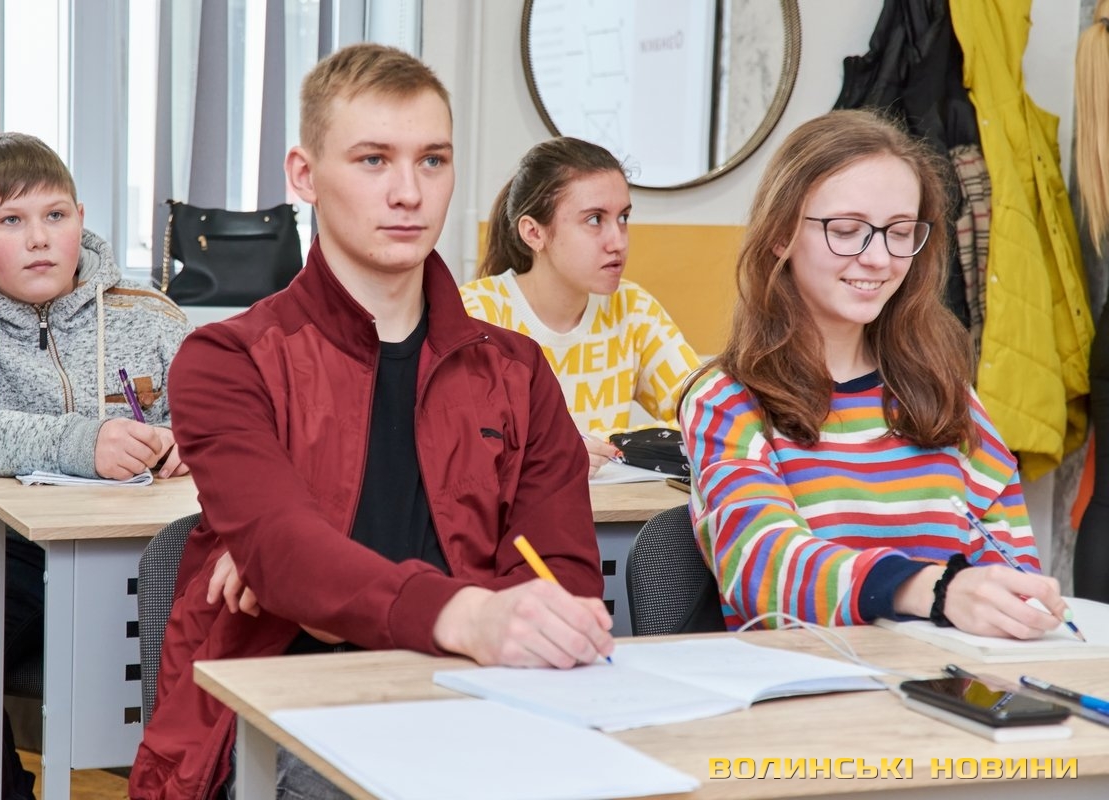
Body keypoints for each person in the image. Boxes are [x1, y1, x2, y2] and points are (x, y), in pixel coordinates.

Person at [130, 44, 612, 800]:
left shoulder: (517, 372)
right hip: (280, 718)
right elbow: (289, 552)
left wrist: (322, 589)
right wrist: (464, 611)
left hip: (476, 702)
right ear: (304, 175)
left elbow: (561, 578)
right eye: (373, 160)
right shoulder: (227, 359)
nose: (409, 193)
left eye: (432, 161)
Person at [680, 109, 1071, 639]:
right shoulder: (726, 399)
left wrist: (1018, 605)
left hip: (943, 678)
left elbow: (1011, 565)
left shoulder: (946, 394)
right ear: (780, 235)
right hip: (807, 681)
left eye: (900, 232)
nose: (879, 258)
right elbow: (763, 568)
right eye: (847, 231)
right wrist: (931, 589)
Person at [0, 132, 193, 798]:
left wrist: (193, 440)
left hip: (149, 552)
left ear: (80, 219)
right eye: (10, 220)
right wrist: (79, 442)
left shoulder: (152, 316)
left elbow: (228, 421)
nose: (39, 238)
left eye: (55, 215)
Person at [460, 137, 700, 476]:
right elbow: (457, 447)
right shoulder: (475, 315)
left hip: (613, 510)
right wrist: (552, 455)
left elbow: (709, 414)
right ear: (534, 233)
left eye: (623, 217)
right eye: (595, 220)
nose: (618, 241)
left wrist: (602, 444)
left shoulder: (632, 308)